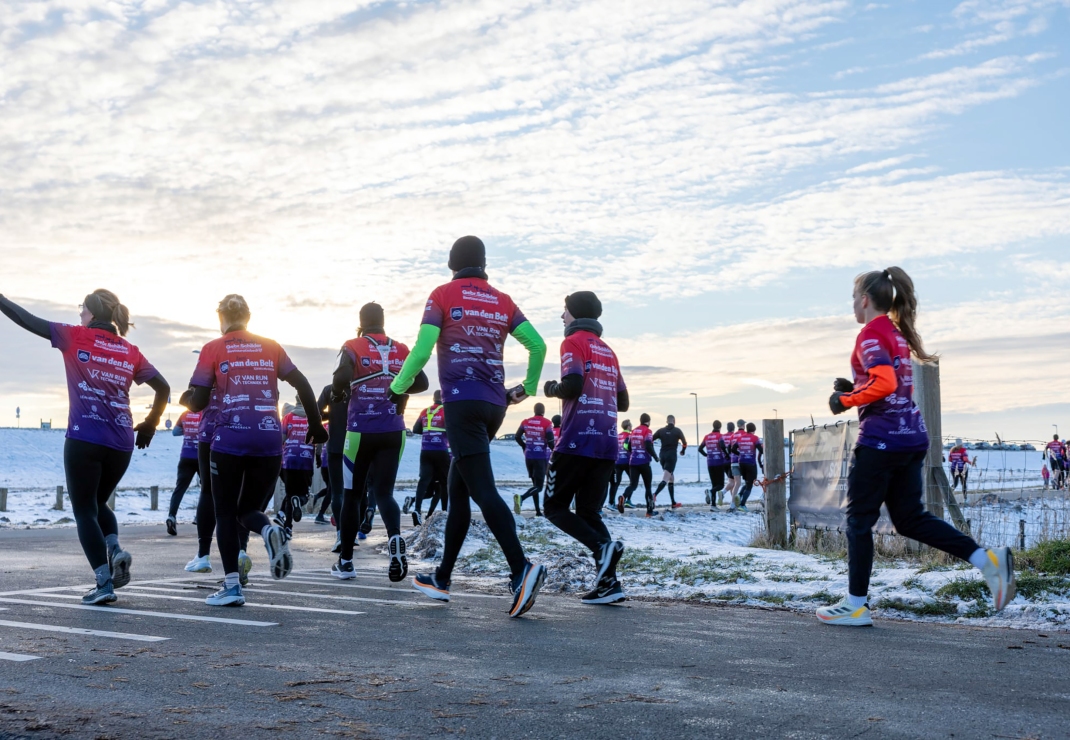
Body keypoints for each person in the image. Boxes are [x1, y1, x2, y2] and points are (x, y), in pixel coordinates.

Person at [818, 267, 1014, 626]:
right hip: (911, 437)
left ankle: (855, 605)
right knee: (910, 519)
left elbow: (885, 382)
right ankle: (989, 561)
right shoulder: (895, 333)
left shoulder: (871, 333)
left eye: (852, 298)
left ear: (864, 299)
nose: (852, 305)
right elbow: (885, 383)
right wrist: (855, 386)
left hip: (880, 442)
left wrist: (844, 401)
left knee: (859, 521)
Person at [391, 235, 548, 618]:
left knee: (482, 490)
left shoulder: (443, 294)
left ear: (451, 263)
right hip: (495, 405)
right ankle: (442, 576)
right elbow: (539, 346)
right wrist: (527, 387)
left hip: (461, 403)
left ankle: (520, 569)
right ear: (483, 263)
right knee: (457, 490)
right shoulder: (502, 300)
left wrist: (397, 387)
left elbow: (424, 348)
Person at [0, 290, 169, 605]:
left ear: (91, 314)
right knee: (97, 504)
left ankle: (104, 583)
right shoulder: (131, 351)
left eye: (82, 310)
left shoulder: (74, 336)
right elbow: (164, 388)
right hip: (121, 443)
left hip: (84, 439)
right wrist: (150, 424)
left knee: (83, 511)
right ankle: (116, 549)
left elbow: (27, 320)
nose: (79, 315)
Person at [187, 294, 327, 607]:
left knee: (225, 513)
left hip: (229, 441)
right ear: (249, 317)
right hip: (269, 441)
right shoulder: (271, 346)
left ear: (221, 318)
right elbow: (302, 384)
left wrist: (194, 393)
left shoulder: (213, 348)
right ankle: (268, 531)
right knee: (247, 510)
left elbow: (197, 403)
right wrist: (316, 426)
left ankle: (232, 586)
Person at [331, 302, 429, 582]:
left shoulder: (353, 345)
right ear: (383, 322)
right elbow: (421, 382)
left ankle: (346, 562)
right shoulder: (400, 349)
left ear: (361, 322)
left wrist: (348, 388)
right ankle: (395, 538)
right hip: (393, 430)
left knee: (352, 495)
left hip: (361, 430)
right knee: (384, 493)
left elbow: (341, 379)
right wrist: (395, 385)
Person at [543, 291, 630, 604]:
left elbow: (574, 385)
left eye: (563, 311)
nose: (561, 317)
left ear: (574, 313)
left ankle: (602, 549)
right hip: (608, 442)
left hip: (577, 439)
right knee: (590, 513)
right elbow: (623, 401)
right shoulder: (608, 350)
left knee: (552, 507)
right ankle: (609, 585)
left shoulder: (572, 342)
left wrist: (551, 388)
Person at [178, 384, 253, 580]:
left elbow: (194, 402)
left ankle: (203, 555)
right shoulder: (247, 364)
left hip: (211, 431)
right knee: (239, 493)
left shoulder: (209, 364)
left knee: (208, 491)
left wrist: (186, 397)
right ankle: (241, 551)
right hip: (243, 430)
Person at [406, 390, 451, 525]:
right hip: (441, 450)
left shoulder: (425, 411)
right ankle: (444, 512)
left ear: (433, 398)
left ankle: (417, 509)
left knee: (423, 481)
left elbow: (415, 429)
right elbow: (451, 428)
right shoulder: (446, 411)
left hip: (425, 450)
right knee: (444, 483)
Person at [316, 382, 350, 553]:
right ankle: (354, 532)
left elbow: (315, 412)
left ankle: (340, 534)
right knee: (356, 493)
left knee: (337, 492)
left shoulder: (329, 389)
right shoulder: (359, 386)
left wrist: (330, 415)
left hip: (335, 445)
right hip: (358, 444)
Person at [278, 398, 315, 532]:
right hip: (306, 458)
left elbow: (281, 439)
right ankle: (299, 500)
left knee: (289, 494)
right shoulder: (312, 418)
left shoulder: (287, 417)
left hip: (289, 458)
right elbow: (319, 439)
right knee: (304, 494)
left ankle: (288, 526)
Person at [514, 402, 554, 515]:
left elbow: (517, 436)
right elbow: (551, 441)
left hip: (529, 456)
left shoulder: (525, 422)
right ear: (543, 411)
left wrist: (524, 446)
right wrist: (556, 452)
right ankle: (521, 498)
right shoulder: (547, 423)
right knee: (539, 487)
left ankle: (537, 511)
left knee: (534, 485)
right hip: (540, 457)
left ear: (534, 410)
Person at [166, 409, 202, 535]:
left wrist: (187, 431)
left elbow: (175, 432)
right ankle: (200, 516)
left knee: (180, 488)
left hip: (186, 456)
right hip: (202, 457)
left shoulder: (184, 414)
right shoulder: (205, 413)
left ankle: (172, 516)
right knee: (206, 489)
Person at [622, 413, 657, 516]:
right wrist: (655, 456)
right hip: (644, 462)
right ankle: (649, 511)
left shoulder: (633, 432)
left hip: (633, 462)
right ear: (648, 421)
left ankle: (623, 497)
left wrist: (633, 453)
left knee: (633, 485)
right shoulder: (648, 431)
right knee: (648, 487)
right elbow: (648, 445)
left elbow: (627, 446)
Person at [652, 415, 687, 509]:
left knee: (671, 478)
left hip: (662, 456)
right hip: (671, 456)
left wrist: (652, 451)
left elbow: (650, 439)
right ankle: (654, 495)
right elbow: (684, 443)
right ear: (674, 421)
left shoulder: (661, 430)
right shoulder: (677, 431)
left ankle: (673, 503)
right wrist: (683, 451)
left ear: (666, 421)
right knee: (666, 478)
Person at [733, 422, 764, 511]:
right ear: (754, 430)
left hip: (741, 463)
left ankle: (739, 495)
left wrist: (740, 454)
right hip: (751, 463)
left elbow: (733, 449)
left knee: (747, 482)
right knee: (750, 484)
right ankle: (742, 504)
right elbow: (760, 450)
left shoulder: (740, 437)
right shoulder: (755, 438)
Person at [698, 420, 729, 508]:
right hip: (719, 462)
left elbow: (700, 449)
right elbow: (722, 446)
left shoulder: (706, 437)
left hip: (710, 462)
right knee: (720, 485)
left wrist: (706, 455)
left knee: (714, 484)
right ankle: (710, 492)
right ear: (720, 427)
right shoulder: (720, 436)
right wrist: (726, 455)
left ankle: (713, 505)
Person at [610, 419, 633, 512]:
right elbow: (629, 447)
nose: (631, 427)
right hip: (627, 461)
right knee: (633, 482)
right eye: (631, 426)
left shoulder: (618, 436)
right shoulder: (630, 436)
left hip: (617, 462)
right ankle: (628, 500)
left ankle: (611, 503)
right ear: (628, 427)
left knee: (615, 483)